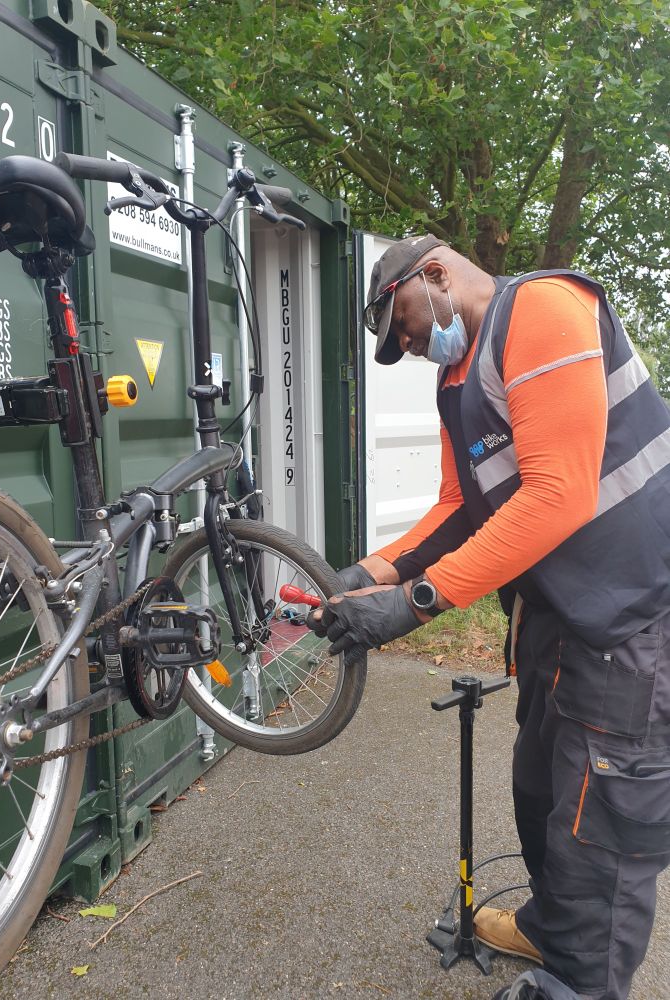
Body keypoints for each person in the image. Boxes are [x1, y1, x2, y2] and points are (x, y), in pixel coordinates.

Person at [307, 235, 670, 1000]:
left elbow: (557, 494)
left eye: (402, 323)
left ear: (434, 273)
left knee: (599, 824)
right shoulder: (456, 376)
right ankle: (549, 927)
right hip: (559, 621)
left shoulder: (542, 310)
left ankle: (579, 982)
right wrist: (367, 575)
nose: (405, 345)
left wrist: (414, 605)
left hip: (636, 621)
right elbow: (454, 509)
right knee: (539, 790)